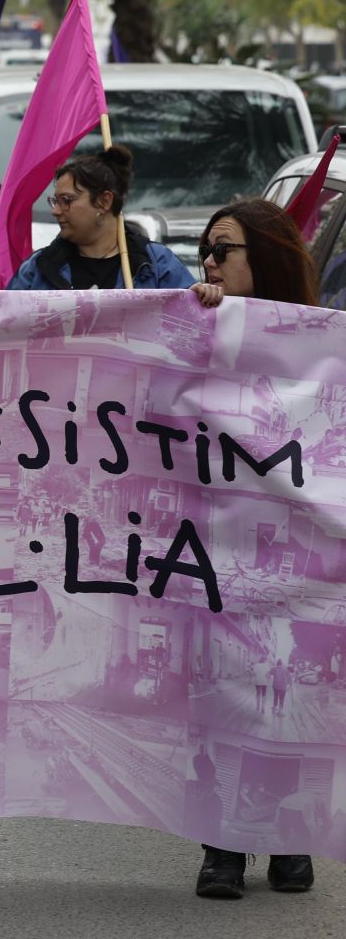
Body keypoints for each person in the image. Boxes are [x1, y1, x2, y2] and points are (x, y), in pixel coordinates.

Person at [187, 197, 320, 899]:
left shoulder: (322, 341)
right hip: (212, 551)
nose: (207, 261)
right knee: (226, 697)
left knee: (289, 696)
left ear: (262, 257)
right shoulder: (192, 326)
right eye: (205, 248)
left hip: (303, 562)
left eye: (223, 249)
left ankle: (287, 838)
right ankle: (224, 847)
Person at [7, 147, 194, 290]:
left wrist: (202, 296)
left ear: (104, 202)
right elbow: (8, 326)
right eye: (55, 201)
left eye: (66, 200)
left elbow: (191, 325)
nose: (56, 211)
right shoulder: (38, 268)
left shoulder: (157, 265)